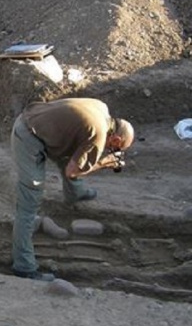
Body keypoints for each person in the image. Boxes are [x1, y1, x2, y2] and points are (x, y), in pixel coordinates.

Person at [10, 98, 135, 281]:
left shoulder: (101, 108)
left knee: (74, 152)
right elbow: (73, 171)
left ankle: (76, 192)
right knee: (29, 201)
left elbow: (77, 145)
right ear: (115, 138)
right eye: (114, 147)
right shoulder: (99, 133)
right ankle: (23, 267)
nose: (111, 150)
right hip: (28, 136)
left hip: (35, 121)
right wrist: (104, 163)